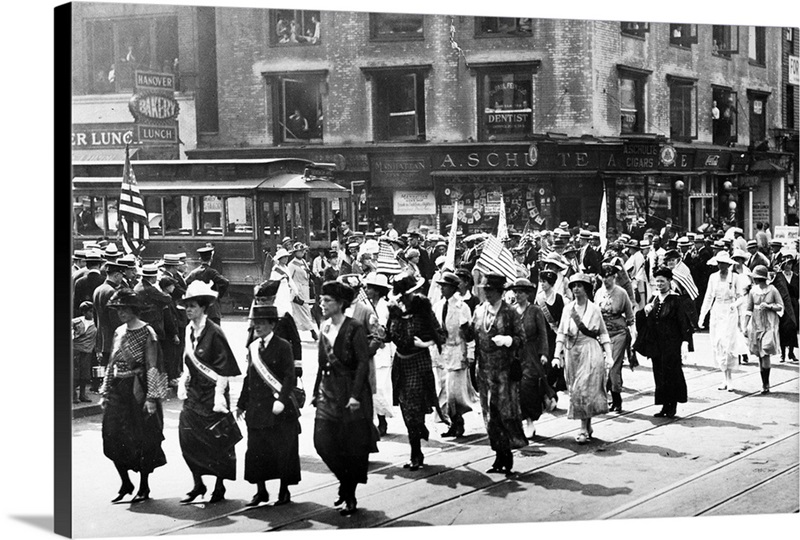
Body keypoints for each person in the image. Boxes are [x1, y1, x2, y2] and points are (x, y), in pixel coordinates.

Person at [313, 280, 379, 516]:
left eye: (327, 300)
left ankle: (349, 493)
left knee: (351, 445)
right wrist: (314, 392)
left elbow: (362, 362)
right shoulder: (323, 327)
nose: (322, 304)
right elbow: (322, 362)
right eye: (322, 300)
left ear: (341, 304)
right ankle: (344, 480)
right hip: (327, 392)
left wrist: (354, 396)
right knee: (322, 443)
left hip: (351, 391)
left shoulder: (354, 328)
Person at [98, 289, 168, 503]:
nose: (121, 312)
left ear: (134, 310)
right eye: (118, 309)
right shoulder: (119, 331)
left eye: (125, 308)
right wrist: (105, 390)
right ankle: (126, 482)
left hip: (139, 390)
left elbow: (154, 366)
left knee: (142, 438)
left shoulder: (148, 333)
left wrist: (152, 398)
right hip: (119, 390)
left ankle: (144, 485)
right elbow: (111, 363)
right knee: (111, 436)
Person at [176, 280, 242, 504]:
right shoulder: (188, 330)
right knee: (188, 438)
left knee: (217, 440)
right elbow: (187, 360)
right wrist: (183, 380)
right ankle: (198, 484)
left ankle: (219, 486)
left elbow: (224, 368)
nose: (188, 310)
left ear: (203, 307)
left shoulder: (215, 332)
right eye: (186, 306)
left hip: (213, 394)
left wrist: (219, 397)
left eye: (193, 306)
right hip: (194, 393)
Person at [236, 304, 301, 507]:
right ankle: (261, 491)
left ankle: (284, 490)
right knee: (256, 451)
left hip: (278, 409)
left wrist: (281, 401)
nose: (258, 326)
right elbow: (249, 377)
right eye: (255, 322)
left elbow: (290, 377)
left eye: (262, 323)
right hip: (256, 408)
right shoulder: (253, 347)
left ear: (272, 324)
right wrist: (241, 404)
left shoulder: (283, 346)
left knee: (282, 450)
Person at [470, 273, 527, 473]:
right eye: (485, 289)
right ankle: (498, 454)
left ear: (499, 292)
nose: (487, 293)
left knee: (503, 413)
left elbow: (522, 338)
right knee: (488, 414)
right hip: (485, 370)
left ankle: (507, 454)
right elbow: (473, 334)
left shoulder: (510, 312)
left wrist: (509, 340)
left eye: (490, 290)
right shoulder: (478, 311)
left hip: (504, 371)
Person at [385, 273, 443, 470]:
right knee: (404, 404)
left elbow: (440, 334)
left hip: (419, 363)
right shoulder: (393, 311)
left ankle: (415, 452)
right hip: (401, 364)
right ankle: (417, 435)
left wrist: (425, 343)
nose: (405, 299)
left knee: (414, 405)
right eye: (402, 295)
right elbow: (388, 335)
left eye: (408, 294)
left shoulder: (423, 309)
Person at [553, 273, 613, 444]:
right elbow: (562, 333)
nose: (576, 289)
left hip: (590, 349)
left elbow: (603, 333)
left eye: (580, 286)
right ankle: (588, 424)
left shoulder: (594, 309)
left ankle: (582, 428)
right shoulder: (568, 309)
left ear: (586, 289)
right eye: (574, 286)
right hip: (572, 351)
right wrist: (557, 355)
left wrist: (609, 356)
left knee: (584, 388)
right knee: (576, 390)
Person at [638, 267, 691, 418]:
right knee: (659, 374)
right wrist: (645, 311)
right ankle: (663, 405)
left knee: (671, 373)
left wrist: (685, 343)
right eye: (657, 281)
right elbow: (645, 320)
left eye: (662, 281)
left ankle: (672, 405)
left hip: (671, 344)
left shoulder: (676, 300)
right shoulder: (654, 299)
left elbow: (683, 323)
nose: (659, 284)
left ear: (669, 281)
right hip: (657, 344)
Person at [432, 272, 476, 439]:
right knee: (442, 388)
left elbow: (468, 333)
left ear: (453, 288)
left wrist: (470, 352)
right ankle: (450, 421)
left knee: (453, 391)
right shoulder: (437, 305)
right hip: (441, 352)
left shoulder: (461, 306)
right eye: (441, 286)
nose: (442, 289)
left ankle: (458, 421)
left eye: (445, 286)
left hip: (458, 351)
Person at [509, 278, 554, 439]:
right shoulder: (511, 310)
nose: (517, 295)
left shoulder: (535, 310)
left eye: (521, 292)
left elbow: (543, 334)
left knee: (528, 386)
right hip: (515, 354)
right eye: (515, 291)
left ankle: (530, 421)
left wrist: (544, 354)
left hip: (532, 353)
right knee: (516, 388)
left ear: (527, 294)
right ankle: (520, 422)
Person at [698, 251, 746, 391]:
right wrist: (702, 316)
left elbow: (741, 297)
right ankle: (723, 377)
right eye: (719, 263)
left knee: (728, 344)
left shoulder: (735, 277)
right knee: (718, 343)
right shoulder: (713, 277)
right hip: (717, 310)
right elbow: (708, 297)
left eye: (724, 263)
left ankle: (730, 378)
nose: (721, 266)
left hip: (730, 311)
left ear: (728, 264)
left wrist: (735, 305)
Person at [594, 264, 635, 413]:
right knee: (602, 367)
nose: (606, 279)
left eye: (608, 276)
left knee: (613, 366)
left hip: (619, 333)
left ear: (614, 277)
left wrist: (633, 337)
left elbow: (630, 317)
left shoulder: (621, 293)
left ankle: (617, 399)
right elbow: (594, 314)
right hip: (603, 334)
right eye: (603, 276)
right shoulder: (598, 293)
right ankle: (608, 398)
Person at [743, 266, 785, 394]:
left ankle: (766, 384)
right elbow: (748, 309)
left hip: (769, 324)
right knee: (760, 354)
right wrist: (745, 326)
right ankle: (764, 382)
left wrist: (769, 306)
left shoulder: (772, 290)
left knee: (765, 351)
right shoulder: (753, 291)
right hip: (756, 324)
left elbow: (780, 306)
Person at [363, 273, 394, 436]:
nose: (367, 290)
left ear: (377, 290)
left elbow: (383, 329)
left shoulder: (384, 306)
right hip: (370, 347)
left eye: (370, 288)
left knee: (380, 387)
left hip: (383, 349)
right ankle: (376, 420)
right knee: (371, 386)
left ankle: (382, 420)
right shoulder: (367, 306)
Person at [535, 270, 567, 395]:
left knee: (554, 364)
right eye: (541, 281)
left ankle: (552, 390)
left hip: (554, 335)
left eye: (545, 281)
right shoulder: (538, 299)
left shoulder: (558, 298)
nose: (542, 284)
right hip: (542, 336)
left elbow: (563, 318)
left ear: (551, 283)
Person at [185, 246, 230, 326]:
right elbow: (225, 282)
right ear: (211, 259)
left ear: (200, 259)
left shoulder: (194, 273)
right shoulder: (212, 272)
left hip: (198, 309)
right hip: (212, 309)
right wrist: (218, 295)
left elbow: (185, 284)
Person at [287, 243, 319, 341]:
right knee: (301, 311)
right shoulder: (291, 265)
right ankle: (312, 331)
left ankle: (294, 333)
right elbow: (289, 279)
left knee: (304, 311)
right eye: (299, 251)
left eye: (302, 251)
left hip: (305, 289)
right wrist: (292, 292)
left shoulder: (304, 262)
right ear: (295, 252)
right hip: (297, 289)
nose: (301, 253)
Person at [72, 301, 97, 403]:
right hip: (76, 350)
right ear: (84, 312)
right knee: (75, 373)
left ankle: (83, 394)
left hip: (87, 351)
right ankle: (74, 394)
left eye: (92, 311)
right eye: (89, 311)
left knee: (85, 374)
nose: (91, 314)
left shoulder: (95, 323)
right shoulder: (76, 322)